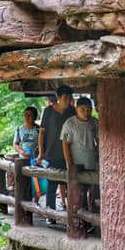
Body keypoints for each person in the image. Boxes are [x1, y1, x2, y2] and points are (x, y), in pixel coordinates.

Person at [37, 85, 76, 221]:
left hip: (69, 154)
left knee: (71, 184)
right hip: (51, 153)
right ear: (58, 98)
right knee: (52, 184)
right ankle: (51, 214)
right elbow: (42, 133)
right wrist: (41, 153)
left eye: (69, 97)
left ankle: (74, 214)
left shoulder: (72, 111)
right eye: (65, 97)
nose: (67, 100)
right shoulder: (48, 111)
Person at [61, 97, 99, 213]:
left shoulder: (94, 122)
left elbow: (100, 140)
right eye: (82, 109)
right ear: (76, 109)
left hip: (92, 162)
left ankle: (91, 216)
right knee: (78, 192)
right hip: (77, 164)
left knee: (92, 192)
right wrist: (70, 164)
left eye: (88, 110)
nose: (86, 112)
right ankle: (78, 218)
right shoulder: (70, 123)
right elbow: (65, 144)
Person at [13, 106, 45, 201]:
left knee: (35, 180)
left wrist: (40, 155)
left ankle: (35, 201)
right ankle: (25, 200)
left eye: (29, 115)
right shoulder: (20, 129)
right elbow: (15, 143)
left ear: (35, 117)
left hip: (35, 158)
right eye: (25, 115)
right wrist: (21, 151)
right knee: (23, 181)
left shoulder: (38, 129)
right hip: (23, 159)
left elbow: (44, 143)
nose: (27, 117)